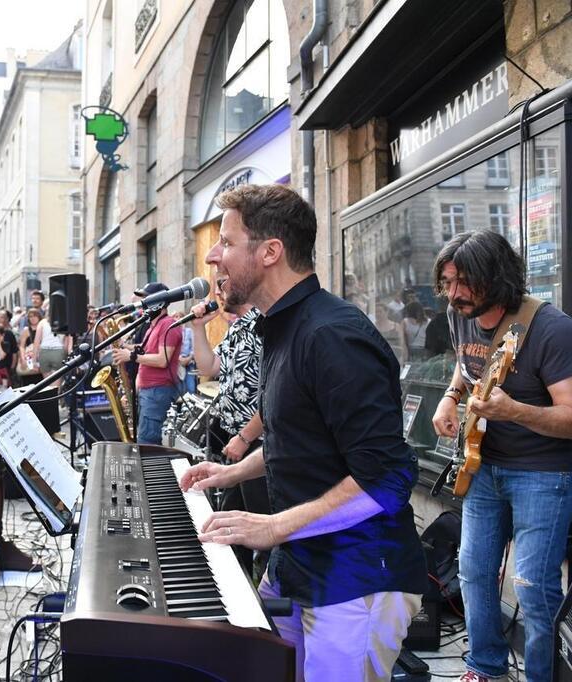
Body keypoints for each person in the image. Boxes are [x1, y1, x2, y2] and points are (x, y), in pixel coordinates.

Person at [179, 184, 425, 681]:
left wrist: (272, 527)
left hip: (354, 581)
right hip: (298, 565)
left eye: (226, 242)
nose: (212, 255)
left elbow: (388, 478)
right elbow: (297, 436)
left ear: (270, 252)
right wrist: (233, 472)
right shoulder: (279, 325)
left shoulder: (332, 336)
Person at [430, 230, 572, 682]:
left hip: (542, 473)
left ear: (496, 277)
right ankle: (485, 668)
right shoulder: (460, 315)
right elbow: (468, 362)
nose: (454, 295)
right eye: (448, 282)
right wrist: (450, 398)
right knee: (472, 574)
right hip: (483, 465)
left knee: (532, 588)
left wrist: (515, 411)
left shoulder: (550, 328)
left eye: (464, 282)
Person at [187, 293, 267, 577]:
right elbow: (209, 368)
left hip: (258, 445)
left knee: (261, 525)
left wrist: (245, 437)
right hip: (237, 442)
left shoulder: (264, 326)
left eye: (223, 283)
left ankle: (264, 590)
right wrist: (198, 328)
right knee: (230, 527)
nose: (218, 292)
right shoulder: (238, 327)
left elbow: (272, 397)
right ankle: (238, 586)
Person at [113, 282, 183, 445]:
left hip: (157, 391)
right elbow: (145, 349)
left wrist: (130, 355)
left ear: (159, 302)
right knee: (143, 438)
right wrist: (123, 345)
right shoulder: (154, 325)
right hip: (148, 391)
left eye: (145, 299)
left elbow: (162, 359)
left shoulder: (168, 325)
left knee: (147, 442)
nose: (142, 304)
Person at [17, 308, 44, 385]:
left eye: (35, 316)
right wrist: (22, 359)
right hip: (29, 356)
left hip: (41, 356)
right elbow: (22, 346)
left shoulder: (43, 328)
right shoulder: (26, 330)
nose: (33, 318)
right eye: (30, 316)